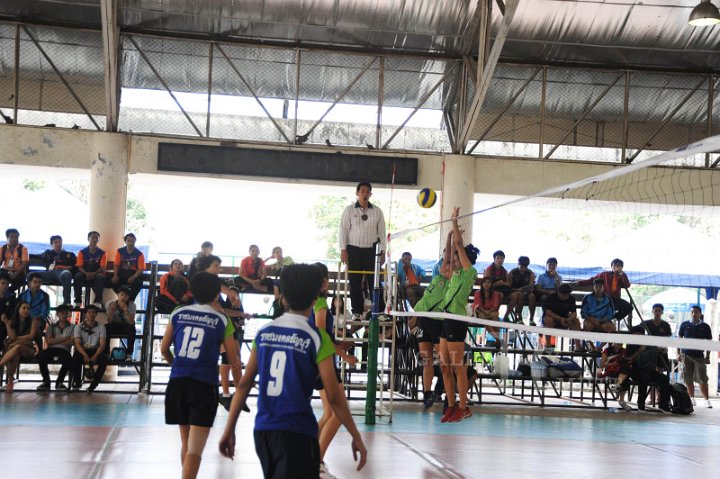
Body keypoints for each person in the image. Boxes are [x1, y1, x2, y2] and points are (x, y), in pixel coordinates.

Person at [219, 264, 367, 478]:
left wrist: (229, 429)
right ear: (316, 297)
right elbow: (335, 397)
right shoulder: (317, 338)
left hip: (264, 430)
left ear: (283, 298)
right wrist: (356, 437)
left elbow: (243, 385)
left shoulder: (264, 333)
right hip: (298, 430)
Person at [161, 272, 243, 479]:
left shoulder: (178, 313)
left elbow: (164, 349)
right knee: (195, 451)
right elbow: (233, 361)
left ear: (192, 291)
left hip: (177, 383)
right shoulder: (222, 320)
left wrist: (176, 366)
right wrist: (240, 390)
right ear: (217, 294)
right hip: (203, 386)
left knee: (187, 444)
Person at [310, 262, 359, 476]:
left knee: (329, 413)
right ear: (322, 281)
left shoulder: (309, 300)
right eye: (327, 277)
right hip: (324, 361)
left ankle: (310, 453)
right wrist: (341, 353)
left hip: (317, 359)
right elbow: (320, 334)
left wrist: (338, 343)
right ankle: (317, 461)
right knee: (339, 412)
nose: (328, 281)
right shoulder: (320, 302)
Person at [439, 207, 480, 423]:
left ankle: (463, 408)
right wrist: (449, 235)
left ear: (465, 260)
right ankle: (452, 405)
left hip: (456, 320)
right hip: (447, 318)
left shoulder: (468, 271)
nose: (453, 261)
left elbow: (459, 248)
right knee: (444, 366)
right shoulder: (454, 272)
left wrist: (455, 222)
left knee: (458, 367)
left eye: (458, 258)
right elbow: (450, 254)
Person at [414, 231, 453, 410]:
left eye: (450, 267)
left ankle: (446, 395)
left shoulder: (452, 286)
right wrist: (449, 236)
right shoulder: (438, 277)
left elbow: (450, 257)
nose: (446, 268)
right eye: (445, 266)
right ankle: (427, 394)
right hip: (424, 322)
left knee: (445, 363)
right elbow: (445, 257)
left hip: (438, 324)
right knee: (426, 360)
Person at [339, 181, 386, 320]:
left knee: (375, 282)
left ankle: (379, 312)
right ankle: (357, 312)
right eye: (362, 191)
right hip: (353, 250)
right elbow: (343, 230)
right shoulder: (349, 210)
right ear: (357, 193)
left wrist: (382, 251)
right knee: (355, 283)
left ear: (370, 194)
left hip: (372, 250)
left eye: (367, 192)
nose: (365, 194)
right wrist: (343, 249)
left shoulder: (377, 211)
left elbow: (382, 232)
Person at [614, 326, 671, 412]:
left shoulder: (648, 344)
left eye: (640, 335)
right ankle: (641, 404)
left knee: (664, 378)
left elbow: (661, 350)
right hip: (635, 371)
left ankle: (663, 405)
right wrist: (639, 351)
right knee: (644, 377)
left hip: (650, 370)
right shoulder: (630, 346)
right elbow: (629, 361)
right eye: (636, 335)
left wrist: (662, 349)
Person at [574, 258, 632, 326]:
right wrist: (580, 283)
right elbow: (592, 280)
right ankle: (598, 319)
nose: (616, 267)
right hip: (604, 299)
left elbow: (627, 285)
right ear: (611, 267)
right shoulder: (605, 274)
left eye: (618, 266)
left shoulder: (622, 277)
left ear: (621, 267)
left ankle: (613, 317)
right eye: (614, 265)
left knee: (629, 307)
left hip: (614, 299)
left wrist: (622, 274)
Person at [678, 305, 713, 408]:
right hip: (686, 355)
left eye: (696, 312)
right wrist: (678, 353)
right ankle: (692, 398)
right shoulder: (684, 325)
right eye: (692, 312)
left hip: (699, 356)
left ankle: (707, 400)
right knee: (688, 378)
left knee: (703, 378)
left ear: (700, 314)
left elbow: (709, 342)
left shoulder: (705, 326)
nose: (694, 314)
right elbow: (679, 339)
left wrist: (708, 356)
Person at [0, 301, 37, 392]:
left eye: (28, 308)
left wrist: (16, 339)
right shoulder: (12, 321)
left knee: (17, 347)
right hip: (15, 350)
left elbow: (31, 336)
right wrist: (6, 323)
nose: (26, 310)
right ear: (18, 309)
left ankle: (0, 364)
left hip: (29, 349)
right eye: (24, 308)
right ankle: (10, 381)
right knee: (15, 355)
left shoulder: (33, 320)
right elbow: (12, 337)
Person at [36, 304, 74, 391]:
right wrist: (65, 338)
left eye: (66, 313)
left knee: (68, 360)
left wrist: (55, 340)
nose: (64, 315)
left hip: (64, 349)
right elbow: (49, 341)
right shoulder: (51, 326)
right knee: (41, 357)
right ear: (57, 314)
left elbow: (72, 341)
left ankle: (59, 382)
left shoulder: (73, 327)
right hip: (51, 349)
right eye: (62, 313)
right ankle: (46, 382)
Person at [71, 304, 108, 393]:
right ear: (85, 314)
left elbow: (102, 345)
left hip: (96, 350)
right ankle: (77, 382)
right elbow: (77, 344)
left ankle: (93, 385)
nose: (91, 314)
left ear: (96, 314)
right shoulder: (78, 327)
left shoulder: (101, 327)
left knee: (104, 360)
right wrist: (85, 355)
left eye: (94, 313)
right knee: (76, 358)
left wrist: (95, 356)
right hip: (83, 350)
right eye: (89, 312)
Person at [34, 235, 76, 306]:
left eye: (59, 242)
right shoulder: (47, 253)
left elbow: (75, 265)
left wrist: (68, 268)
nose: (58, 244)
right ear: (52, 244)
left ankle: (67, 302)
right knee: (31, 275)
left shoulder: (69, 255)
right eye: (55, 242)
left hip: (62, 273)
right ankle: (32, 299)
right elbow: (36, 256)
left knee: (66, 274)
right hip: (50, 273)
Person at [542, 283, 582, 351]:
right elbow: (548, 312)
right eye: (563, 295)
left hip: (565, 319)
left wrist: (569, 319)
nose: (565, 296)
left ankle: (578, 346)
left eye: (567, 295)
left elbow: (574, 313)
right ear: (559, 292)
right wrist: (560, 319)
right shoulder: (551, 297)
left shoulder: (571, 298)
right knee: (549, 320)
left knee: (576, 321)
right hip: (553, 319)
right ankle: (548, 345)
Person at [73, 230, 107, 307]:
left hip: (96, 274)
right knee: (78, 276)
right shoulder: (82, 252)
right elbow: (79, 266)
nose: (94, 240)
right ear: (88, 239)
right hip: (84, 274)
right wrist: (86, 273)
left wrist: (93, 273)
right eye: (92, 238)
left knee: (100, 277)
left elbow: (102, 267)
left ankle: (97, 301)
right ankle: (78, 301)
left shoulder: (103, 253)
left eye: (96, 238)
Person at [18, 272, 50, 347]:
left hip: (39, 321)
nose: (37, 284)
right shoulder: (22, 296)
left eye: (39, 282)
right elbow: (18, 310)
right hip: (24, 320)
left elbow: (45, 312)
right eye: (35, 282)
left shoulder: (45, 296)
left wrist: (34, 319)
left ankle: (39, 351)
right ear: (29, 283)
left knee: (37, 330)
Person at [105, 286, 137, 359]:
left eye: (126, 296)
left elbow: (131, 322)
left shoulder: (132, 305)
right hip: (114, 325)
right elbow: (109, 321)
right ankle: (106, 353)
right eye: (122, 294)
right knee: (106, 327)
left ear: (128, 297)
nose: (123, 297)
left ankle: (129, 354)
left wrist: (126, 310)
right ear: (118, 294)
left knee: (132, 328)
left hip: (126, 326)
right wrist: (112, 311)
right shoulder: (110, 303)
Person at [111, 233, 145, 301]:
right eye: (129, 241)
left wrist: (134, 276)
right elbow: (116, 264)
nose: (131, 243)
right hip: (122, 273)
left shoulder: (139, 254)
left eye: (132, 241)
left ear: (135, 242)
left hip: (133, 274)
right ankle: (121, 298)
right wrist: (115, 275)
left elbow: (141, 269)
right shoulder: (120, 251)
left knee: (139, 282)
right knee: (111, 281)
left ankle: (131, 300)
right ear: (125, 242)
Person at [472, 276, 503, 347]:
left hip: (491, 312)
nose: (486, 284)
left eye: (488, 282)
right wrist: (485, 311)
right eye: (485, 282)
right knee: (486, 320)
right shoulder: (477, 293)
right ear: (482, 284)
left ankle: (497, 340)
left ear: (491, 284)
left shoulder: (495, 294)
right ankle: (498, 339)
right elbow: (477, 305)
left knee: (495, 319)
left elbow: (495, 305)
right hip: (481, 312)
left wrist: (488, 311)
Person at [505, 256, 536, 324]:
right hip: (514, 292)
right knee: (520, 295)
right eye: (522, 266)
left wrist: (527, 289)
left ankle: (531, 319)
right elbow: (508, 287)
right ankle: (519, 317)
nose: (523, 268)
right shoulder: (512, 272)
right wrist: (517, 290)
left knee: (532, 296)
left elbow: (531, 286)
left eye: (525, 266)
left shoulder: (530, 273)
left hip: (526, 292)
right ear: (518, 264)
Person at [643, 303, 672, 372]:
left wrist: (663, 347)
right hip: (648, 349)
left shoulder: (666, 325)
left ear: (662, 312)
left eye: (659, 311)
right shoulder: (646, 323)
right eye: (656, 310)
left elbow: (667, 338)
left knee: (660, 369)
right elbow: (638, 333)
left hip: (661, 349)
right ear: (652, 311)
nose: (657, 313)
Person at [0, 273, 17, 345]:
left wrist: (7, 320)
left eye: (7, 284)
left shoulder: (11, 297)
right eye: (3, 283)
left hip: (5, 323)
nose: (5, 286)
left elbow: (12, 313)